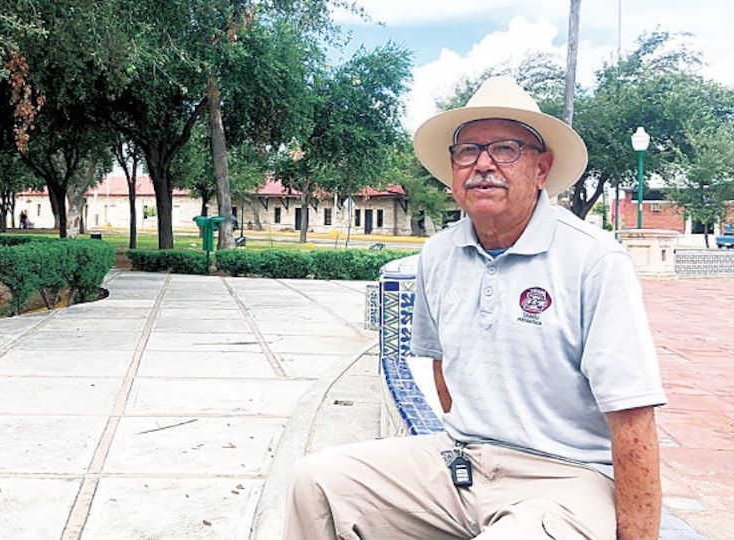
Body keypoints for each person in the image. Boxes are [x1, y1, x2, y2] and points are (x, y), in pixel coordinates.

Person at [284, 77, 666, 539]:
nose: (483, 165)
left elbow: (633, 418)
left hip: (567, 476)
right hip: (460, 460)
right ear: (452, 171)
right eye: (468, 152)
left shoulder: (595, 261)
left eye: (505, 149)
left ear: (541, 168)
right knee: (316, 482)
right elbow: (442, 369)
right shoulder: (438, 254)